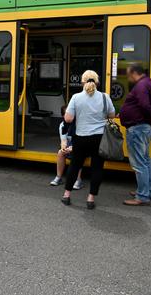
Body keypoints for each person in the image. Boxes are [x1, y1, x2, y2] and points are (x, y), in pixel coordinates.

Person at [61, 70, 115, 210]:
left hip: (80, 138)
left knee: (75, 166)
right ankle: (90, 199)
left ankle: (67, 195)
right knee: (97, 168)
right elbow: (112, 115)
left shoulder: (76, 97)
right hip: (99, 138)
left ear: (82, 82)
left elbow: (68, 118)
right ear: (97, 82)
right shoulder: (105, 97)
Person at [119, 63, 151, 206]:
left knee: (139, 163)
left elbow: (144, 105)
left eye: (128, 74)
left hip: (138, 129)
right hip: (142, 127)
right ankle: (146, 191)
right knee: (146, 161)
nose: (128, 78)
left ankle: (142, 196)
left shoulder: (141, 85)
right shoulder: (149, 83)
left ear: (134, 73)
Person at [50, 105, 83, 189]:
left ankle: (78, 180)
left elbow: (82, 141)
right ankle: (58, 177)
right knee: (60, 152)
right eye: (67, 114)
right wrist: (64, 148)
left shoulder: (80, 124)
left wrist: (73, 147)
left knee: (77, 152)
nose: (70, 116)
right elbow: (63, 140)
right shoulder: (62, 125)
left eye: (72, 114)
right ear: (63, 116)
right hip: (70, 146)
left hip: (82, 145)